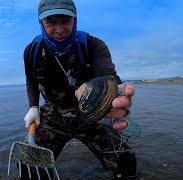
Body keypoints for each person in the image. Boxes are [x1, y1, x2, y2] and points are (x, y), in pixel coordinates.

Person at [22, 0, 137, 179]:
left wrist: (115, 96)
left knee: (126, 162)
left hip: (92, 116)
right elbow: (31, 82)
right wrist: (33, 107)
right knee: (31, 166)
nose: (59, 30)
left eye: (66, 21)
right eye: (51, 22)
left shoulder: (93, 45)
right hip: (54, 116)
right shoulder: (32, 51)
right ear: (41, 23)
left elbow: (109, 77)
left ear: (75, 20)